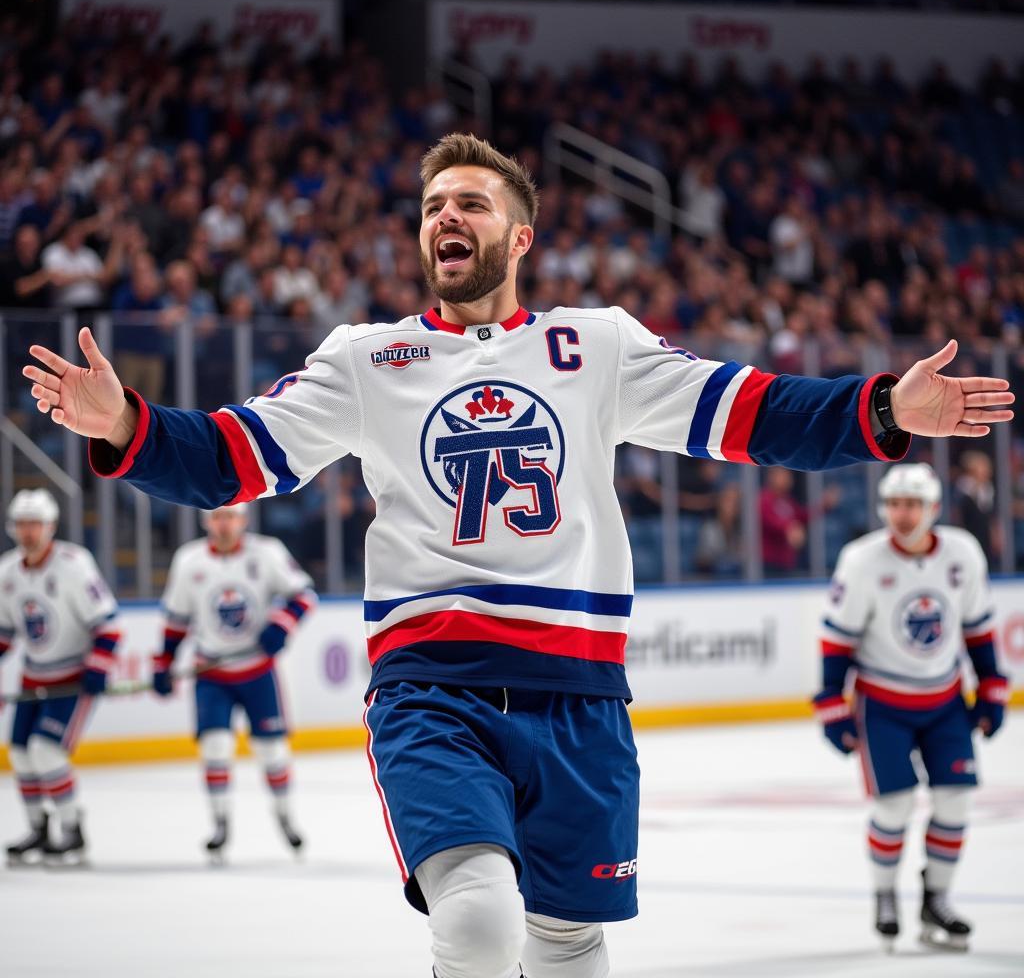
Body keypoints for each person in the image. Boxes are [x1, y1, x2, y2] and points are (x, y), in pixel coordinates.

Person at [23, 134, 1015, 977]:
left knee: (567, 940)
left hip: (581, 700)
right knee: (479, 918)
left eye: (469, 203)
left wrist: (882, 409)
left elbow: (752, 412)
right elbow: (228, 458)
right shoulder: (366, 359)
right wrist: (128, 425)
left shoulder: (599, 345)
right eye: (430, 207)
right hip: (432, 691)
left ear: (520, 236)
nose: (444, 217)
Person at [812, 463, 1008, 952]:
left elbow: (978, 626)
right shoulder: (862, 560)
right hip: (883, 705)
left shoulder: (962, 553)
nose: (903, 514)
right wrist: (832, 703)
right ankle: (884, 895)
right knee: (894, 806)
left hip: (945, 701)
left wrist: (991, 687)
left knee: (956, 802)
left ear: (934, 508)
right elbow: (837, 639)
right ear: (883, 508)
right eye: (895, 504)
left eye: (914, 505)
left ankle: (936, 898)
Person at [152, 503, 316, 859]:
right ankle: (220, 824)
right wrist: (163, 661)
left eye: (230, 516)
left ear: (242, 519)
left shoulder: (267, 552)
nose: (224, 524)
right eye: (217, 517)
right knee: (215, 747)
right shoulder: (189, 560)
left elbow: (304, 594)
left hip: (258, 671)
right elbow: (176, 619)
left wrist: (280, 625)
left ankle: (285, 818)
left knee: (272, 751)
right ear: (206, 521)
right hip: (211, 673)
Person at [0, 489, 121, 864]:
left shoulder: (73, 564)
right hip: (34, 678)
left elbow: (108, 626)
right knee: (20, 754)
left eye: (35, 524)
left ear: (50, 527)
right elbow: (5, 634)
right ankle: (38, 828)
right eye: (22, 524)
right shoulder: (6, 571)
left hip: (72, 678)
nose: (29, 532)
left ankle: (72, 830)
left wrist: (97, 668)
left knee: (46, 751)